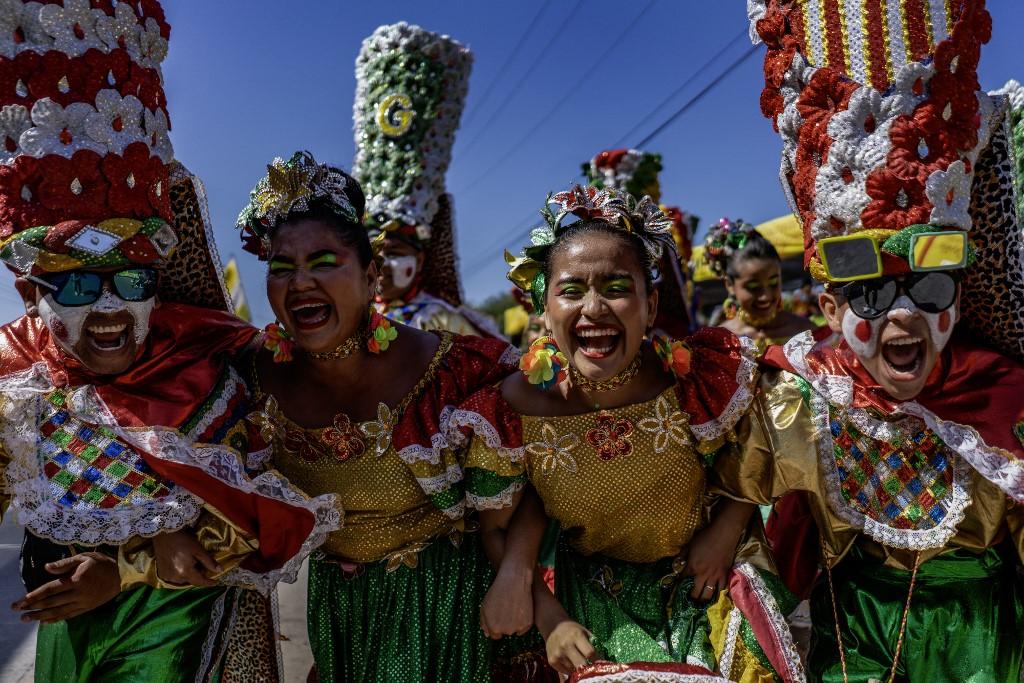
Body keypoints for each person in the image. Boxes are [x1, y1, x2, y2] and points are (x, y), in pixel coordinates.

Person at [0, 3, 335, 680]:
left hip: (181, 637)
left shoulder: (205, 377)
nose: (107, 306)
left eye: (129, 278)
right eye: (73, 286)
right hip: (69, 644)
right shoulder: (21, 378)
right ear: (33, 295)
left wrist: (129, 566)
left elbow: (255, 520)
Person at [717, 1, 1024, 680]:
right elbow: (762, 539)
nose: (905, 317)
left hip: (984, 648)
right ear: (828, 306)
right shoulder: (805, 394)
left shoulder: (1005, 395)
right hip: (853, 646)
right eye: (872, 293)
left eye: (930, 286)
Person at [445, 184, 805, 681]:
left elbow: (759, 458)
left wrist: (724, 535)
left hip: (706, 585)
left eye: (616, 288)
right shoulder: (510, 410)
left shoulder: (695, 381)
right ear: (544, 311)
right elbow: (500, 526)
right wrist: (550, 618)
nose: (594, 308)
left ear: (651, 306)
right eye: (571, 291)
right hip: (592, 602)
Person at [233, 149, 550, 682]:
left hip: (452, 608)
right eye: (281, 269)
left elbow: (547, 464)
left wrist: (517, 574)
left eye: (324, 262)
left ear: (371, 276)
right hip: (342, 613)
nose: (300, 282)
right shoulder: (251, 378)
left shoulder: (455, 370)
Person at [353, 23, 497, 337]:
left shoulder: (442, 322)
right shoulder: (348, 319)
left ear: (420, 259)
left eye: (392, 254)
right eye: (373, 256)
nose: (381, 268)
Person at [703, 218, 814, 354]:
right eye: (753, 287)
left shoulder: (806, 332)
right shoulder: (719, 343)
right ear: (730, 285)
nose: (765, 296)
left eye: (774, 283)